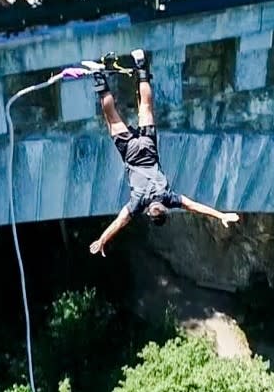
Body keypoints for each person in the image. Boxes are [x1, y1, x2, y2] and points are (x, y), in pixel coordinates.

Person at [87, 49, 240, 255]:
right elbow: (120, 222)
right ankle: (98, 75)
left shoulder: (169, 198)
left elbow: (194, 206)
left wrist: (220, 215)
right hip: (131, 152)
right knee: (112, 116)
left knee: (146, 108)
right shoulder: (139, 204)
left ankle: (140, 63)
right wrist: (102, 239)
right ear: (151, 214)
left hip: (148, 147)